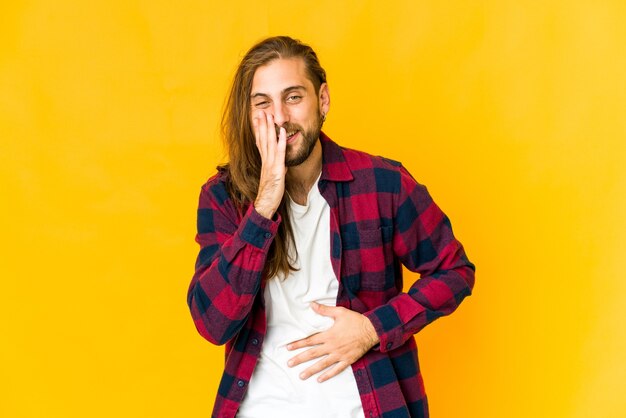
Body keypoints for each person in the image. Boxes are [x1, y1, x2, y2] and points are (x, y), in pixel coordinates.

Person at [187, 36, 475, 418]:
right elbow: (213, 322)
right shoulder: (223, 198)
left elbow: (455, 270)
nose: (280, 118)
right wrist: (264, 205)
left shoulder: (382, 183)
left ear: (322, 100)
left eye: (293, 97)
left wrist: (373, 329)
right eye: (263, 104)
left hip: (366, 405)